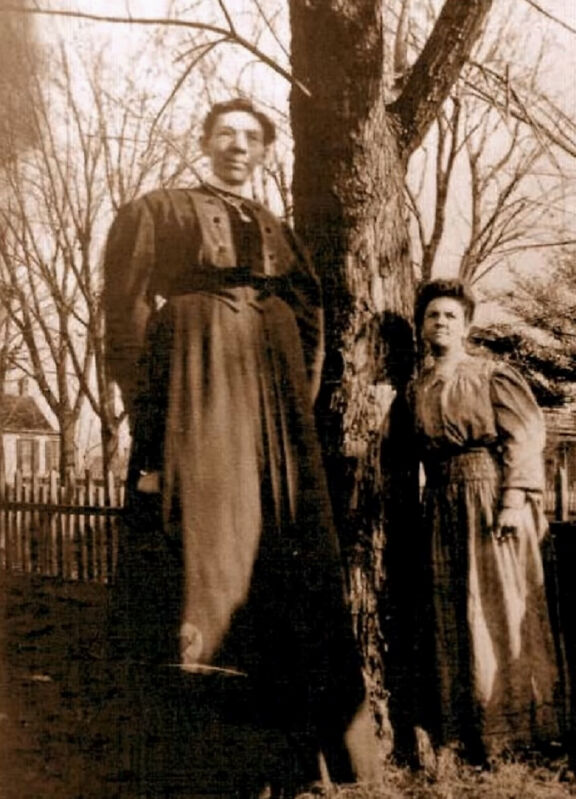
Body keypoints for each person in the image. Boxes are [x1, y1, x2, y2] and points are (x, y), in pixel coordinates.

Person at [103, 98, 379, 793]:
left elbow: (311, 313)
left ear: (263, 153)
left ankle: (299, 751)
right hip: (195, 391)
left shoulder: (279, 232)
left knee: (288, 553)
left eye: (251, 138)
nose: (237, 145)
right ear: (203, 141)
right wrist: (152, 416)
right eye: (224, 133)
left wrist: (292, 397)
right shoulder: (157, 211)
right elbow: (126, 318)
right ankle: (201, 749)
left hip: (275, 409)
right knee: (206, 554)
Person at [407, 278, 566, 766]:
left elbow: (524, 434)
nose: (441, 323)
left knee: (496, 604)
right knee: (453, 608)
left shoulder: (490, 374)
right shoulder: (417, 385)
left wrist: (514, 499)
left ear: (467, 325)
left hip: (488, 495)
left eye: (451, 316)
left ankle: (514, 733)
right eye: (433, 316)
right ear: (421, 327)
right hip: (440, 502)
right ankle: (463, 729)